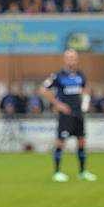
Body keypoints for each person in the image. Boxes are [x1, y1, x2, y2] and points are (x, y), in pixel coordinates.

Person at [39, 49, 96, 182]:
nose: (72, 60)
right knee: (61, 142)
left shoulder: (81, 74)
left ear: (77, 59)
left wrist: (86, 102)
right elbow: (43, 89)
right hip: (66, 115)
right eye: (69, 58)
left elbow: (84, 89)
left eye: (74, 58)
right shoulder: (58, 75)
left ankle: (82, 172)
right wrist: (57, 104)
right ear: (65, 60)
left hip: (79, 114)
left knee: (81, 141)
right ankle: (57, 172)